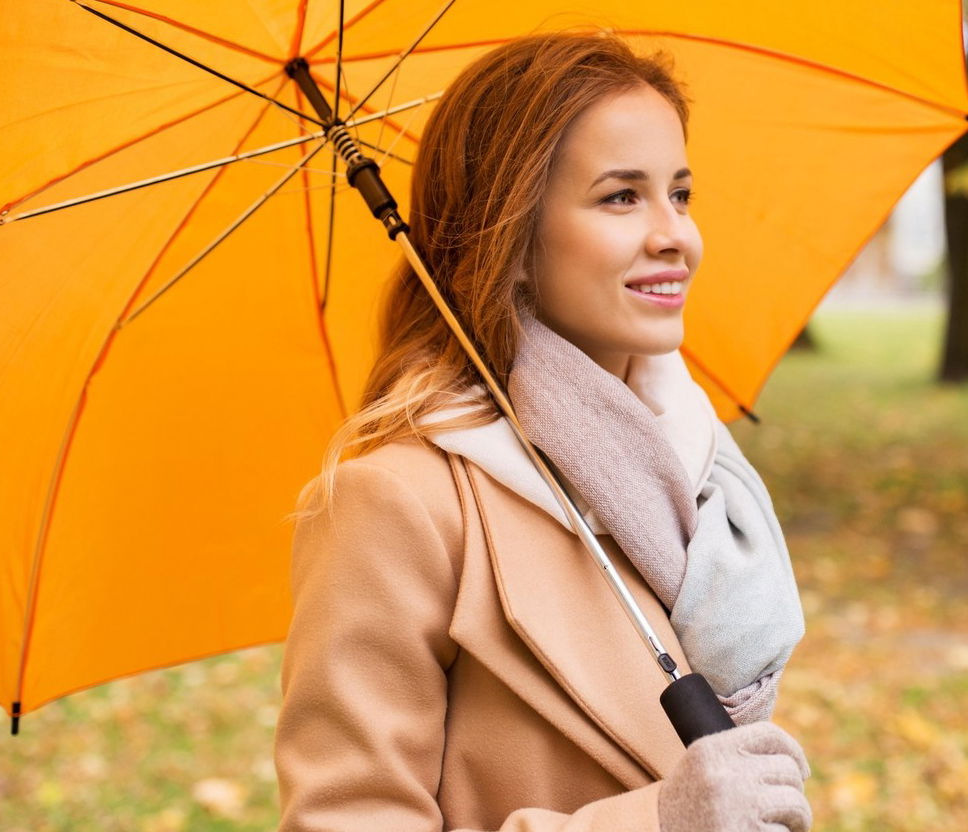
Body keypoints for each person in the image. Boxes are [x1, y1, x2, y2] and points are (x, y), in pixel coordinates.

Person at [273, 29, 812, 832]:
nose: (675, 235)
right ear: (513, 236)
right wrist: (658, 822)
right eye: (621, 196)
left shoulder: (694, 462)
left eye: (681, 193)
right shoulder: (398, 505)